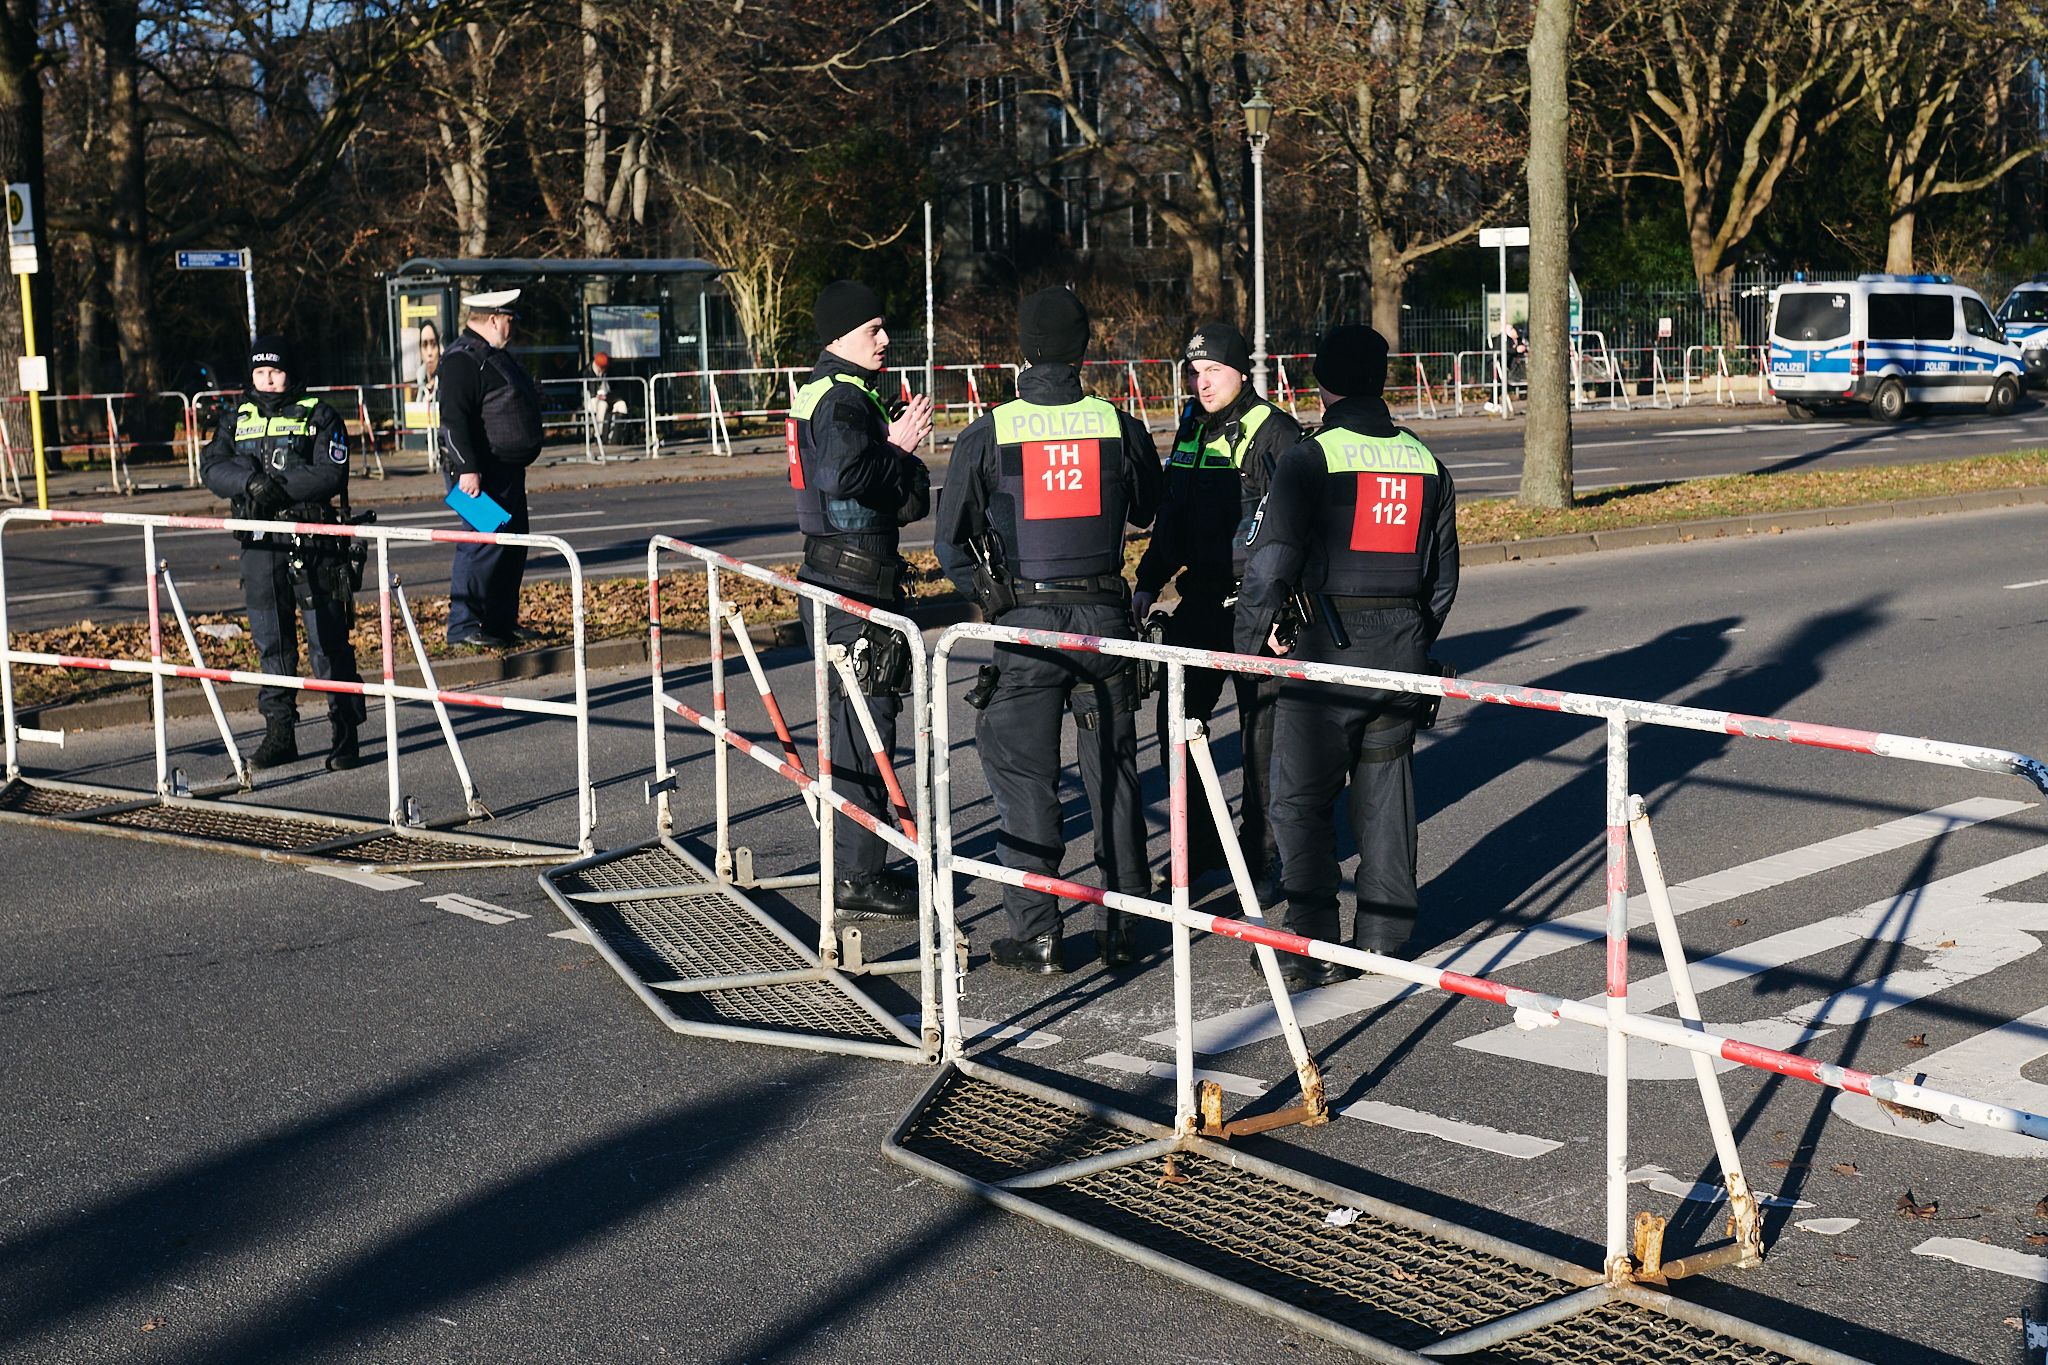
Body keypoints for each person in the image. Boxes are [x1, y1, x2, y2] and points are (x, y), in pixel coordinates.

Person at [936, 287, 1165, 974]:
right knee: (1116, 779)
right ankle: (1126, 926)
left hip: (1027, 625)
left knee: (1024, 775)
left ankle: (1037, 931)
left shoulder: (989, 431)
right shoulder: (1119, 426)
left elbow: (952, 542)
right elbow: (1151, 509)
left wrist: (993, 596)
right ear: (1083, 350)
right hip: (1103, 623)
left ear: (1024, 350)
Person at [1235, 325, 1458, 988]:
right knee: (1387, 795)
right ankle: (1384, 938)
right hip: (1399, 655)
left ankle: (1307, 941)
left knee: (1300, 800)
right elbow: (1442, 580)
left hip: (1323, 656)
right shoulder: (1425, 462)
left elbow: (1270, 563)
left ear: (1322, 383)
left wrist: (1251, 642)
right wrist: (1412, 636)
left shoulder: (1312, 456)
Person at [1131, 322, 1301, 898]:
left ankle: (1261, 860)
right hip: (1200, 601)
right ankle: (1198, 847)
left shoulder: (1275, 432)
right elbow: (1171, 516)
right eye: (1195, 372)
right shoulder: (1190, 427)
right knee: (1177, 724)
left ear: (1241, 373)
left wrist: (1283, 609)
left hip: (1256, 607)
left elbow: (1298, 533)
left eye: (1214, 371)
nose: (1202, 383)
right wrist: (1148, 581)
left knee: (1263, 738)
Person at [790, 279, 935, 919]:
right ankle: (860, 874)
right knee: (865, 727)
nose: (885, 339)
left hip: (833, 573)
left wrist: (897, 467)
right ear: (840, 334)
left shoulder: (824, 391)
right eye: (872, 328)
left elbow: (887, 497)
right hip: (852, 583)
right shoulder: (845, 399)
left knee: (851, 728)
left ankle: (855, 861)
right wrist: (897, 449)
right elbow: (846, 475)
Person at [199, 336, 366, 771]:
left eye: (276, 372)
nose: (268, 380)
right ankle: (279, 734)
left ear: (290, 372)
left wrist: (274, 488)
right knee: (271, 642)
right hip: (259, 542)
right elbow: (213, 466)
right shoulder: (236, 416)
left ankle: (345, 732)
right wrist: (248, 484)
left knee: (327, 643)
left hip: (313, 540)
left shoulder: (320, 414)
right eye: (260, 373)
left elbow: (331, 472)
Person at [438, 288, 544, 648]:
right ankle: (464, 626)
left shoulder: (491, 356)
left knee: (511, 546)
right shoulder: (462, 360)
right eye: (509, 319)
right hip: (477, 475)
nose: (512, 326)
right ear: (495, 318)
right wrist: (467, 468)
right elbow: (453, 420)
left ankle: (499, 623)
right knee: (481, 546)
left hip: (505, 471)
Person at [581, 350, 626, 444]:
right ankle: (600, 435)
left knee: (622, 406)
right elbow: (586, 391)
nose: (603, 369)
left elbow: (618, 389)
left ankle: (617, 435)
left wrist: (608, 396)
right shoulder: (587, 372)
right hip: (594, 399)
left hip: (610, 397)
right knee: (602, 406)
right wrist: (598, 396)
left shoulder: (611, 371)